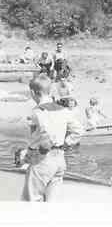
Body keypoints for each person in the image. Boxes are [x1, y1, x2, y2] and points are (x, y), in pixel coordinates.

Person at [18, 74, 83, 202]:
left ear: (33, 92)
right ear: (50, 91)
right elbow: (79, 130)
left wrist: (26, 156)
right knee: (53, 202)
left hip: (42, 159)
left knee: (32, 200)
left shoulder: (37, 112)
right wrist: (66, 143)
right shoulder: (63, 110)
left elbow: (40, 136)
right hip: (60, 159)